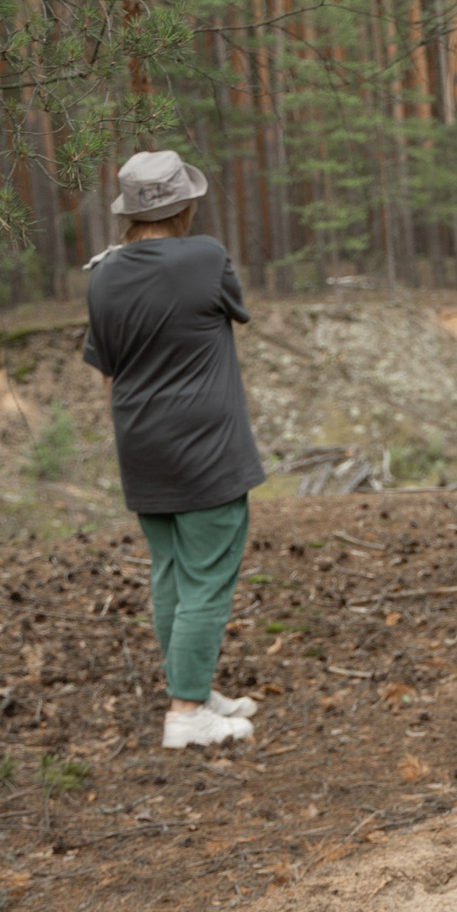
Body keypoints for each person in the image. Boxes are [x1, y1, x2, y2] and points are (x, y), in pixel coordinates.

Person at [83, 150, 267, 749]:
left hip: (141, 445)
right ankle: (187, 712)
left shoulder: (103, 273)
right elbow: (237, 312)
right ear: (184, 204)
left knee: (170, 573)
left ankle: (192, 686)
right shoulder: (206, 257)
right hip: (206, 445)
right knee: (208, 576)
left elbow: (107, 371)